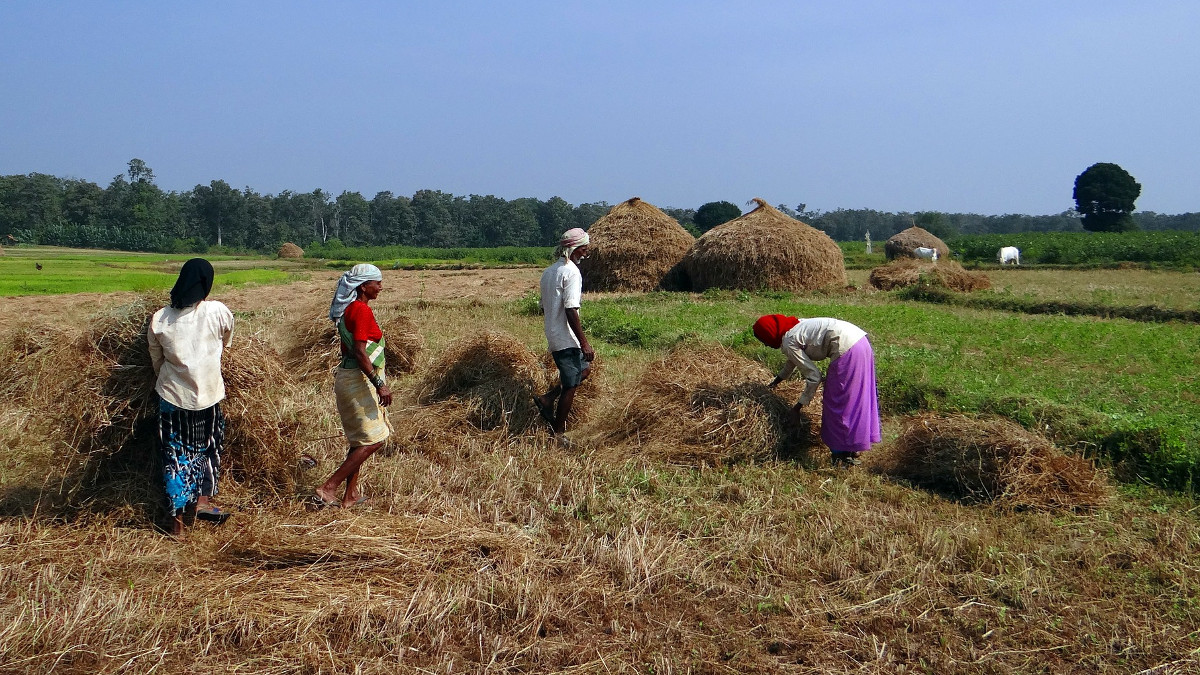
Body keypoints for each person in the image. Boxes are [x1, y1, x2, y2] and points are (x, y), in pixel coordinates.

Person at [147, 258, 235, 536]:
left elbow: (156, 361)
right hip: (209, 396)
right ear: (206, 284)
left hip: (172, 399)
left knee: (175, 456)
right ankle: (203, 502)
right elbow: (227, 340)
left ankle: (178, 526)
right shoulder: (217, 311)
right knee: (209, 448)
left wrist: (176, 376)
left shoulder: (160, 318)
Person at [753, 314, 881, 466]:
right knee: (855, 399)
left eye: (763, 340)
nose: (766, 345)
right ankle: (851, 448)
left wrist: (797, 407)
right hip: (861, 342)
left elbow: (814, 377)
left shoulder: (789, 340)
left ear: (770, 332)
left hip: (847, 350)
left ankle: (841, 455)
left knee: (836, 403)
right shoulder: (794, 326)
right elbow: (792, 361)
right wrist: (775, 382)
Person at [316, 264, 393, 508]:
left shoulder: (352, 309)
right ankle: (329, 487)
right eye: (377, 283)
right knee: (374, 440)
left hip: (351, 377)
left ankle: (350, 496)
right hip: (357, 380)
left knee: (360, 440)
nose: (381, 287)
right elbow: (360, 352)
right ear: (363, 286)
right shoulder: (360, 311)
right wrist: (380, 384)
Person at [534, 228, 594, 445]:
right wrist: (584, 342)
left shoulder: (549, 272)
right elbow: (570, 309)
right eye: (585, 248)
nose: (587, 252)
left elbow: (544, 305)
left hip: (553, 331)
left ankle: (548, 398)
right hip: (565, 337)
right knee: (570, 385)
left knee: (584, 371)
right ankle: (558, 434)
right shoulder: (571, 273)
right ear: (576, 249)